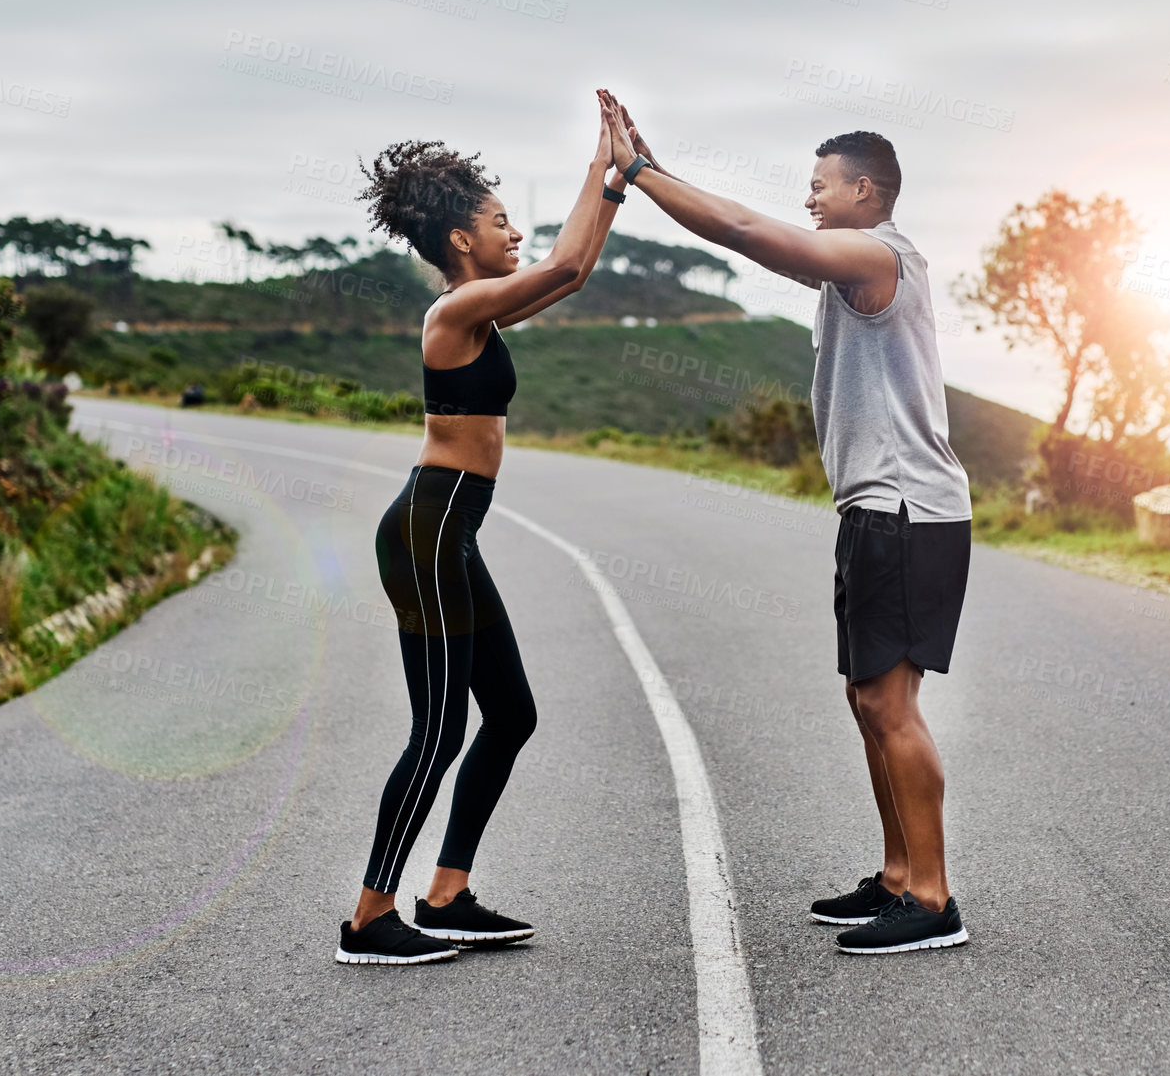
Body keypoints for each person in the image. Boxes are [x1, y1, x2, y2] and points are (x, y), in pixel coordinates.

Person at [596, 90, 973, 956]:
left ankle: (933, 897)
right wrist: (657, 168)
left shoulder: (878, 257)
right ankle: (893, 875)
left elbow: (741, 230)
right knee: (866, 697)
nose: (808, 197)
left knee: (890, 701)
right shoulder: (853, 264)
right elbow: (742, 231)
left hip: (906, 512)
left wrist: (640, 174)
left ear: (866, 194)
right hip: (878, 510)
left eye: (821, 185)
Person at [337, 114, 627, 965]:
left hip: (449, 536)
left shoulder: (481, 312)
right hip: (427, 532)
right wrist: (600, 167)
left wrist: (615, 187)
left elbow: (566, 278)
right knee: (437, 730)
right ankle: (367, 918)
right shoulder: (456, 309)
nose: (515, 234)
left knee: (510, 714)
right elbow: (566, 265)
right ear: (462, 239)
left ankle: (448, 894)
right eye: (501, 222)